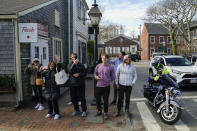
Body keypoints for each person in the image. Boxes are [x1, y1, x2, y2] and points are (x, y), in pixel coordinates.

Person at [94, 54, 115, 120]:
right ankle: (99, 111)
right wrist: (97, 77)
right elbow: (95, 74)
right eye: (103, 58)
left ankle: (105, 113)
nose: (104, 60)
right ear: (101, 59)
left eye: (105, 58)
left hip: (106, 86)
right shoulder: (98, 66)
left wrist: (108, 80)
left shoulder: (110, 67)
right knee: (98, 100)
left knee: (105, 100)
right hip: (98, 86)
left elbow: (113, 76)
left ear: (107, 59)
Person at [67, 53, 87, 117]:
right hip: (72, 84)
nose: (72, 58)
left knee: (82, 97)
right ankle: (76, 110)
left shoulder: (81, 64)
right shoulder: (70, 64)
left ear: (76, 58)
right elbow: (69, 71)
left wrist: (79, 74)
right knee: (74, 98)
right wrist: (73, 64)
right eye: (71, 57)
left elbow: (85, 72)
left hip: (80, 84)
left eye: (73, 57)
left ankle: (84, 111)